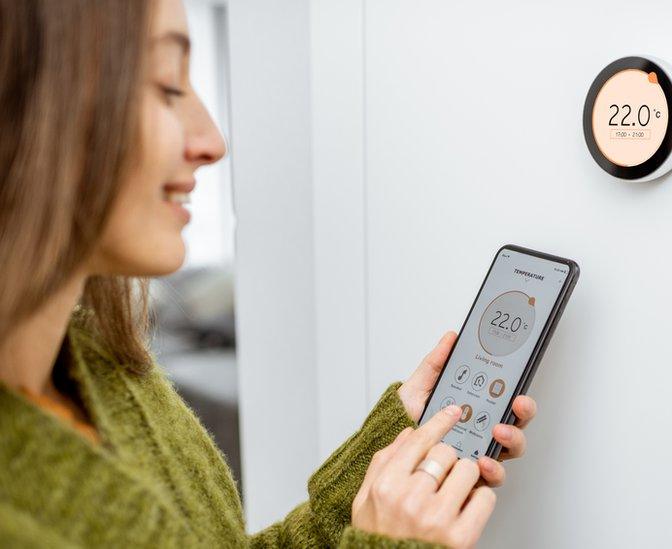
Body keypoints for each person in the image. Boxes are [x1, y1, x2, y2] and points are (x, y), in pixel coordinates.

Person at [0, 1, 538, 547]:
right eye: (167, 85)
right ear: (27, 104)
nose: (212, 141)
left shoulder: (104, 366)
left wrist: (385, 475)